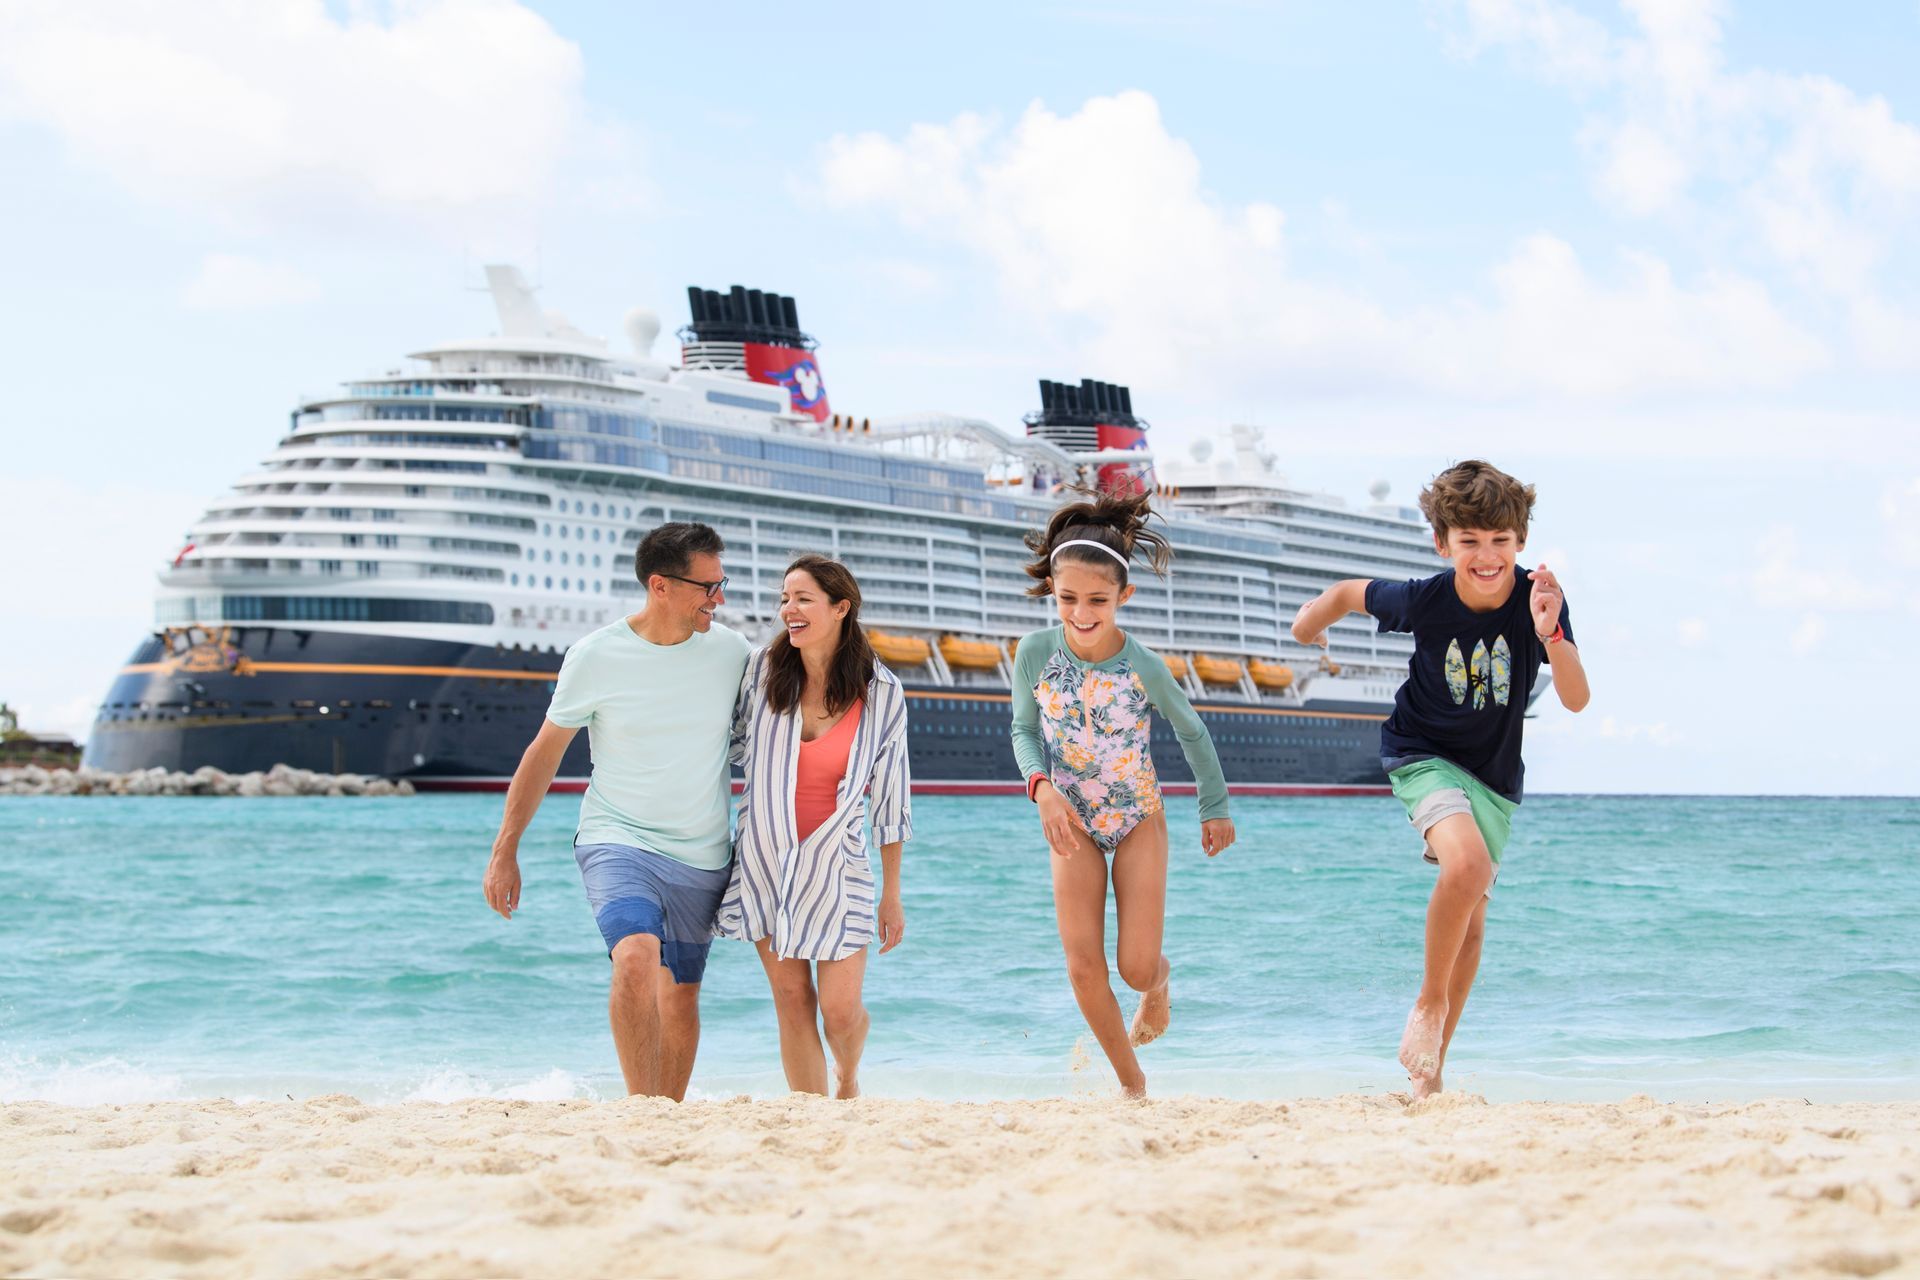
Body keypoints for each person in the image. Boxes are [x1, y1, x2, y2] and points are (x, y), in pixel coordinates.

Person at [1290, 459, 1590, 1099]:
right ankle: (1427, 1003)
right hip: (1420, 752)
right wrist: (1308, 623)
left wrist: (1551, 633)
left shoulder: (1539, 599)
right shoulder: (1426, 597)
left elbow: (1575, 698)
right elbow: (1350, 592)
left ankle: (1431, 1077)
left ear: (1521, 540)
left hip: (1495, 778)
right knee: (1467, 869)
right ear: (1442, 543)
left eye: (1501, 542)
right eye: (1470, 542)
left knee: (1473, 922)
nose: (1487, 556)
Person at [482, 522, 751, 1100]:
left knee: (679, 995)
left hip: (703, 853)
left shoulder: (732, 653)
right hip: (616, 837)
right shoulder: (595, 655)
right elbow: (543, 754)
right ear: (660, 586)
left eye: (720, 583)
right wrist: (505, 849)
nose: (719, 598)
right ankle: (638, 1108)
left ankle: (666, 1115)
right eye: (708, 586)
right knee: (634, 956)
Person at [1009, 487, 1236, 1099]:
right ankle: (1132, 1084)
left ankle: (1159, 988)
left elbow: (1192, 732)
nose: (1081, 613)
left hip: (1137, 816)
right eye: (1068, 600)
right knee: (1083, 966)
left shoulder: (1143, 665)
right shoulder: (1032, 653)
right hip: (1071, 820)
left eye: (1097, 601)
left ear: (1123, 597)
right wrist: (1043, 789)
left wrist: (1212, 806)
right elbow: (1023, 731)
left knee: (1135, 968)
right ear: (1053, 594)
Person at [716, 554, 911, 1099]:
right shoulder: (760, 671)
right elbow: (722, 743)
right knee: (791, 998)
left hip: (838, 867)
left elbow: (892, 800)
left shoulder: (882, 692)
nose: (788, 610)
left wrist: (892, 894)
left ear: (840, 607)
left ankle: (847, 1075)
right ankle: (810, 1113)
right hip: (763, 862)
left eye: (802, 599)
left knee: (840, 1012)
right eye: (784, 599)